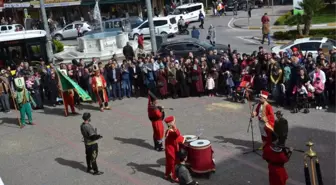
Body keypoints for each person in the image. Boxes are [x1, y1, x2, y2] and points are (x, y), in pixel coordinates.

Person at [164, 116, 185, 182]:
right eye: (173, 122)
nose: (174, 123)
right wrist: (174, 126)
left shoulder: (169, 130)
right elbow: (177, 134)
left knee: (169, 163)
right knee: (174, 163)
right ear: (170, 123)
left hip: (169, 149)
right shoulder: (170, 131)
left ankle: (167, 174)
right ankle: (174, 177)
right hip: (171, 150)